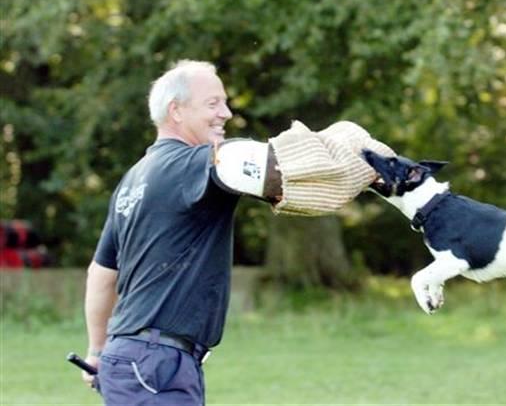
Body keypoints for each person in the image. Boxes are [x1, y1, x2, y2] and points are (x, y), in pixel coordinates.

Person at [82, 59, 393, 404]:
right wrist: (360, 157)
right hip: (156, 362)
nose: (226, 113)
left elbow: (102, 272)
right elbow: (262, 165)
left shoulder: (133, 179)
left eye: (225, 102)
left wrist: (97, 350)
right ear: (176, 111)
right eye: (212, 103)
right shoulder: (193, 164)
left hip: (131, 356)